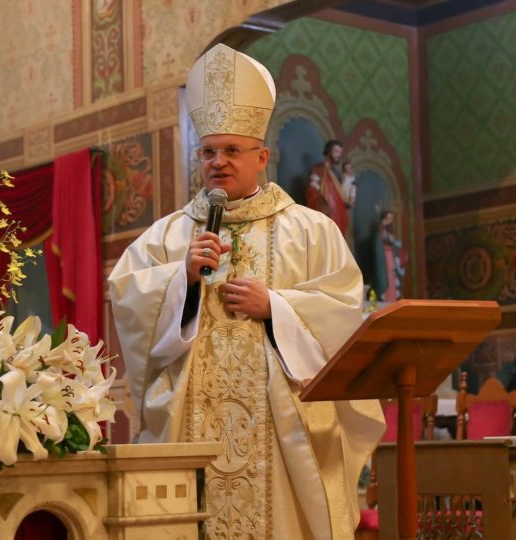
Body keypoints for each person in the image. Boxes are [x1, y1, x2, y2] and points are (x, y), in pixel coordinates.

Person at [109, 44, 384, 540]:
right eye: (209, 151)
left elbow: (344, 314)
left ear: (262, 157)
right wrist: (181, 282)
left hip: (280, 441)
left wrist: (275, 307)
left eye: (232, 151)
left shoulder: (311, 230)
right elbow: (129, 301)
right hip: (194, 429)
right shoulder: (168, 237)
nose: (218, 162)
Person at [307, 140, 352, 238]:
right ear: (328, 151)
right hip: (325, 213)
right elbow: (312, 192)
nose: (339, 155)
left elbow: (341, 196)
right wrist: (323, 206)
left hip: (338, 216)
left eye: (340, 153)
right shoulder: (318, 169)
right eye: (336, 152)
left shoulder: (337, 174)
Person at [373, 210, 405, 302]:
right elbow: (379, 242)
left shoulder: (390, 233)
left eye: (391, 218)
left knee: (392, 277)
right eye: (387, 218)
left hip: (391, 257)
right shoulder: (380, 231)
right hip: (384, 258)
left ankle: (392, 298)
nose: (389, 220)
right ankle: (386, 297)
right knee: (386, 277)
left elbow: (393, 244)